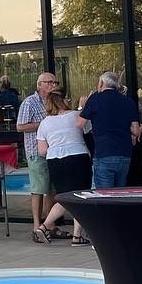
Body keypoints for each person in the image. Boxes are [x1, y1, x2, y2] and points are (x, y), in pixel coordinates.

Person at [34, 92, 92, 246]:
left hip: (55, 160)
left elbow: (42, 151)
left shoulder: (44, 123)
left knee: (65, 197)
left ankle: (44, 225)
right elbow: (87, 129)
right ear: (63, 101)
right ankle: (77, 235)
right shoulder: (75, 115)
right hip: (77, 157)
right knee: (80, 196)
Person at [17, 71, 61, 237]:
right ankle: (36, 225)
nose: (53, 85)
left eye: (55, 82)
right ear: (39, 84)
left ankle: (50, 224)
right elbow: (20, 126)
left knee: (52, 189)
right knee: (38, 189)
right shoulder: (30, 102)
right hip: (36, 152)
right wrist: (43, 124)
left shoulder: (54, 101)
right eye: (49, 82)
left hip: (53, 150)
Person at [80, 71, 140, 189]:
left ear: (101, 83)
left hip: (104, 152)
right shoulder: (128, 101)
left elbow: (79, 123)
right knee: (119, 193)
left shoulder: (95, 99)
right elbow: (136, 131)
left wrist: (82, 107)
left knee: (104, 196)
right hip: (124, 153)